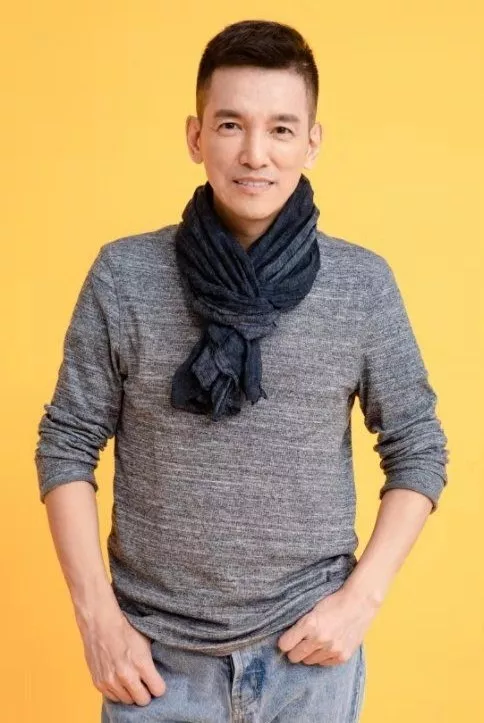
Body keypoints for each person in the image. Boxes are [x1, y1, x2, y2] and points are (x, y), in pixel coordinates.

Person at [34, 19, 450, 723]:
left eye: (281, 129)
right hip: (154, 665)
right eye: (231, 125)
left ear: (312, 142)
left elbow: (419, 447)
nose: (256, 154)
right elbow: (67, 443)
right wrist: (96, 620)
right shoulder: (125, 275)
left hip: (308, 662)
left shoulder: (361, 284)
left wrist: (361, 600)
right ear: (196, 136)